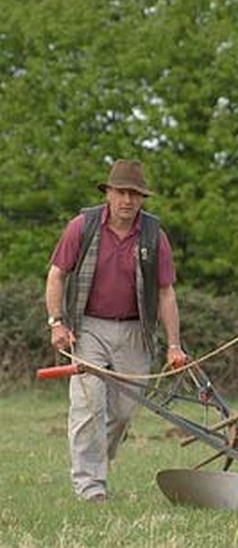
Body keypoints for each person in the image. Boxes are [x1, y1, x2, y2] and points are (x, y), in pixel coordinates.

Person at [45, 159, 186, 502]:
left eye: (135, 195)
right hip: (89, 327)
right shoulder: (82, 226)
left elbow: (166, 292)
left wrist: (174, 345)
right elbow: (56, 274)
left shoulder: (155, 235)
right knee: (89, 405)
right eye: (121, 193)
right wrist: (56, 322)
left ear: (142, 199)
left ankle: (95, 459)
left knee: (123, 412)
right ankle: (90, 487)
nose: (128, 201)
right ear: (108, 193)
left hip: (135, 331)